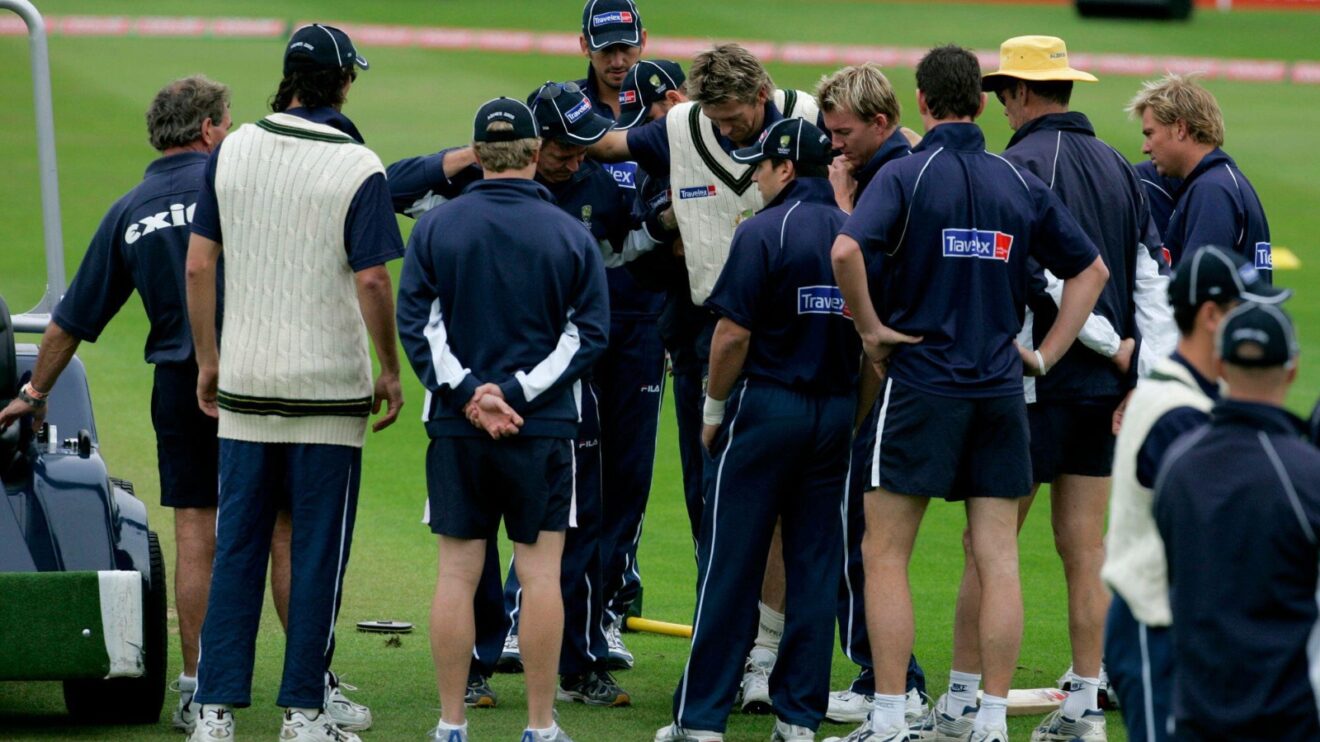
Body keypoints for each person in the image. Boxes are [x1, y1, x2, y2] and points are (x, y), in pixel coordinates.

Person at [826, 44, 1109, 742]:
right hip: (1001, 392)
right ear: (981, 104)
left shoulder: (907, 173)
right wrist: (1043, 357)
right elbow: (1092, 272)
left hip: (921, 384)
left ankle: (890, 715)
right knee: (997, 556)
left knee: (885, 552)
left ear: (921, 102)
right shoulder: (1015, 179)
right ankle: (989, 721)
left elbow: (844, 251)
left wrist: (871, 332)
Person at [914, 35, 1173, 742]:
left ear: (1024, 94)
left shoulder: (1018, 165)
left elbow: (1051, 281)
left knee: (987, 547)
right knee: (1084, 550)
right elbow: (1151, 278)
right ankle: (1086, 706)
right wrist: (1135, 364)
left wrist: (1094, 345)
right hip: (1103, 396)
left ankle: (964, 704)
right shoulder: (1122, 165)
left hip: (1033, 385)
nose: (999, 106)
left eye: (1003, 94)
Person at [183, 24, 404, 742]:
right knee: (313, 556)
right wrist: (390, 369)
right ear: (340, 82)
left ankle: (213, 710)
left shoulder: (234, 146)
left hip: (246, 384)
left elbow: (198, 265)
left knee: (238, 546)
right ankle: (303, 712)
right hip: (329, 398)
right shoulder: (358, 163)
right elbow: (372, 277)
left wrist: (210, 359)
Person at [388, 81, 640, 708]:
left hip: (461, 419)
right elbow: (591, 331)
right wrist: (515, 394)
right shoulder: (564, 231)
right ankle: (539, 720)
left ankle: (455, 720)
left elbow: (418, 324)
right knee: (540, 570)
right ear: (533, 151)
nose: (577, 161)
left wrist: (475, 395)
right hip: (546, 417)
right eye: (560, 150)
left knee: (461, 569)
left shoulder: (439, 225)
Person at [590, 41, 822, 714]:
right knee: (710, 505)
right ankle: (728, 655)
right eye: (714, 117)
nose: (725, 130)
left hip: (797, 332)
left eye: (735, 118)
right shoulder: (679, 127)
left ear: (761, 96)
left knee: (800, 511)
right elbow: (607, 149)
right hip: (703, 334)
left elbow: (885, 137)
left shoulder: (809, 117)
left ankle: (768, 658)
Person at [0, 75, 234, 734]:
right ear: (210, 128)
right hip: (251, 379)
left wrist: (33, 392)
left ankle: (198, 689)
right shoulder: (235, 192)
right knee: (278, 529)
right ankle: (309, 688)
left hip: (177, 384)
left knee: (195, 535)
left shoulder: (130, 209)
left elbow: (67, 322)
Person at [654, 118, 854, 742]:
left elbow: (732, 335)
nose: (756, 180)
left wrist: (711, 415)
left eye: (761, 168)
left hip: (767, 410)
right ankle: (798, 721)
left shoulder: (764, 231)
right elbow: (874, 345)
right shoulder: (858, 235)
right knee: (816, 567)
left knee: (730, 563)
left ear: (787, 168)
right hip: (835, 413)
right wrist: (856, 415)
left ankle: (702, 720)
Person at [1101, 245, 1289, 742]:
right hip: (1158, 628)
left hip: (1183, 624)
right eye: (1244, 308)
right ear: (1211, 316)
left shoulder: (1199, 396)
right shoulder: (1176, 412)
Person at [813, 61, 929, 727]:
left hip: (890, 377)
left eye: (844, 132)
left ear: (881, 122)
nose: (835, 146)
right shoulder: (909, 161)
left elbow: (869, 262)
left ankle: (888, 681)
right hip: (932, 376)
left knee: (866, 535)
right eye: (829, 134)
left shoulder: (889, 178)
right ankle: (895, 678)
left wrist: (843, 209)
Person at [1154, 302, 1318, 741]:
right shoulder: (1307, 473)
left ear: (1222, 365)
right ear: (1292, 369)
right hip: (1288, 721)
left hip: (1194, 714)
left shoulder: (1178, 462)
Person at [1128, 73, 1272, 276]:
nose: (1145, 147)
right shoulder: (1220, 182)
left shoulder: (1211, 191)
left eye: (1150, 134)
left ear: (1180, 128)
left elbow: (1198, 292)